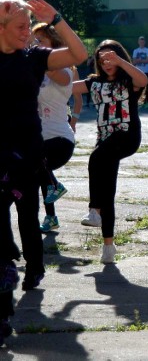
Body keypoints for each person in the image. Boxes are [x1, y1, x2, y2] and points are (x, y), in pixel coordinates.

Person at [0, 0, 87, 344]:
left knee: (26, 214)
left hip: (26, 154)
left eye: (29, 27)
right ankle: (6, 284)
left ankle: (28, 270)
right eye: (21, 27)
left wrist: (58, 21)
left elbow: (80, 56)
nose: (27, 33)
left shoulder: (34, 58)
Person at [73, 40, 148, 264]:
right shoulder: (94, 83)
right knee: (107, 189)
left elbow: (143, 80)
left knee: (95, 158)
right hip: (106, 140)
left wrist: (121, 62)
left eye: (111, 58)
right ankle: (108, 246)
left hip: (127, 136)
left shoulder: (129, 81)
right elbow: (65, 86)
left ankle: (94, 210)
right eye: (102, 60)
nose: (107, 63)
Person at [31, 22, 77, 233]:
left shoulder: (64, 70)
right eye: (34, 40)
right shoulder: (35, 71)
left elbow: (60, 76)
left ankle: (55, 185)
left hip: (60, 139)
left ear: (54, 43)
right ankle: (51, 218)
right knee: (35, 173)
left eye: (40, 41)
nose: (35, 44)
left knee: (35, 161)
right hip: (40, 137)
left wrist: (41, 59)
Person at [132, 35, 148, 109]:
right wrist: (140, 60)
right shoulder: (135, 51)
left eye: (143, 41)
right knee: (138, 87)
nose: (142, 43)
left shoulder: (147, 50)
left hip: (146, 71)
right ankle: (139, 102)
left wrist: (139, 60)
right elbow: (134, 62)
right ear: (138, 42)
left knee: (147, 87)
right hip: (137, 71)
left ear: (145, 42)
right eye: (140, 41)